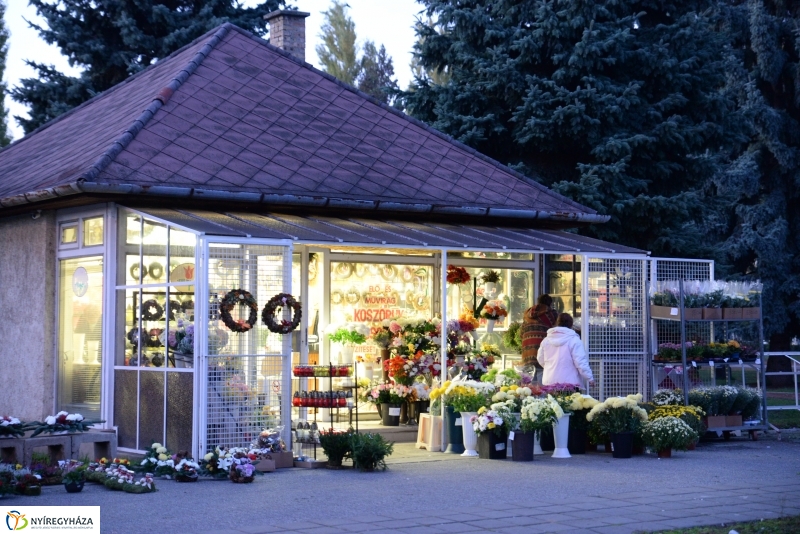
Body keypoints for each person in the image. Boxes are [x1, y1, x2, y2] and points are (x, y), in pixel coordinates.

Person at [537, 313, 595, 387]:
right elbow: (580, 362)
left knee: (552, 399)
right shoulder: (574, 340)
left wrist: (551, 367)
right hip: (569, 384)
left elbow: (540, 358)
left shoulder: (546, 340)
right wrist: (590, 378)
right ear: (571, 324)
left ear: (557, 323)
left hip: (549, 382)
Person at [520, 294, 559, 372]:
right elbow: (556, 331)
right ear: (550, 303)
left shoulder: (527, 314)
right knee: (541, 374)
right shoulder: (551, 314)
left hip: (527, 348)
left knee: (529, 376)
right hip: (542, 348)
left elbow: (521, 333)